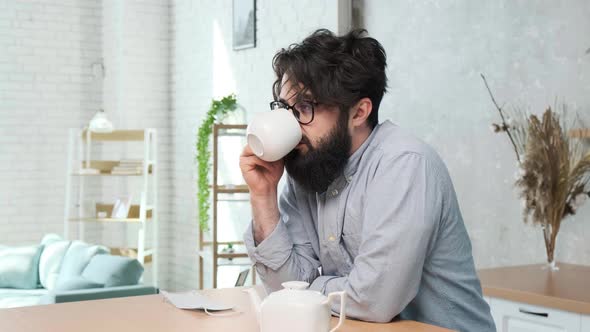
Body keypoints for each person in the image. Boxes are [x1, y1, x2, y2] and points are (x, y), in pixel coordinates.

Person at [239, 29, 495, 332]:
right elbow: (286, 289)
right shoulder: (307, 167)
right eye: (285, 109)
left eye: (305, 108)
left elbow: (373, 303)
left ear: (359, 112)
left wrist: (310, 289)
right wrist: (263, 196)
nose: (291, 124)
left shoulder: (404, 165)